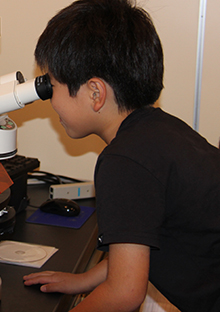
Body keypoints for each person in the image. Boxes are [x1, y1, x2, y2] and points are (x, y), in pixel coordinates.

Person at [22, 0, 220, 311]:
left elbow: (124, 293)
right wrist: (85, 280)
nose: (51, 101)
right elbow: (138, 245)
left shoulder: (123, 162)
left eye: (54, 87)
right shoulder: (161, 130)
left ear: (95, 93)